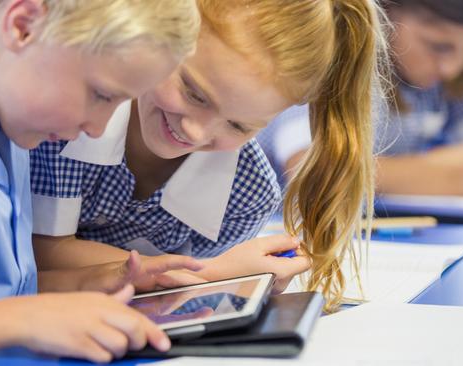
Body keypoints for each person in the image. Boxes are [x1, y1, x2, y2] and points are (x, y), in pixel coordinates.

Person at [0, 0, 202, 364]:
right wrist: (24, 319)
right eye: (101, 95)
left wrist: (91, 283)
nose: (97, 128)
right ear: (23, 25)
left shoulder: (1, 117)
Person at [31, 0, 389, 310]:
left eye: (238, 125)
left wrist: (221, 285)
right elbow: (37, 254)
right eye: (194, 94)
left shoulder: (247, 192)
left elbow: (177, 310)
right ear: (164, 25)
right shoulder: (66, 120)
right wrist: (208, 274)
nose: (197, 132)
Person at [259, 0, 463, 199]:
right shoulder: (338, 51)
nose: (452, 68)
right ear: (386, 12)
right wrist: (462, 180)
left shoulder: (454, 67)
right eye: (438, 46)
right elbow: (312, 170)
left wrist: (425, 169)